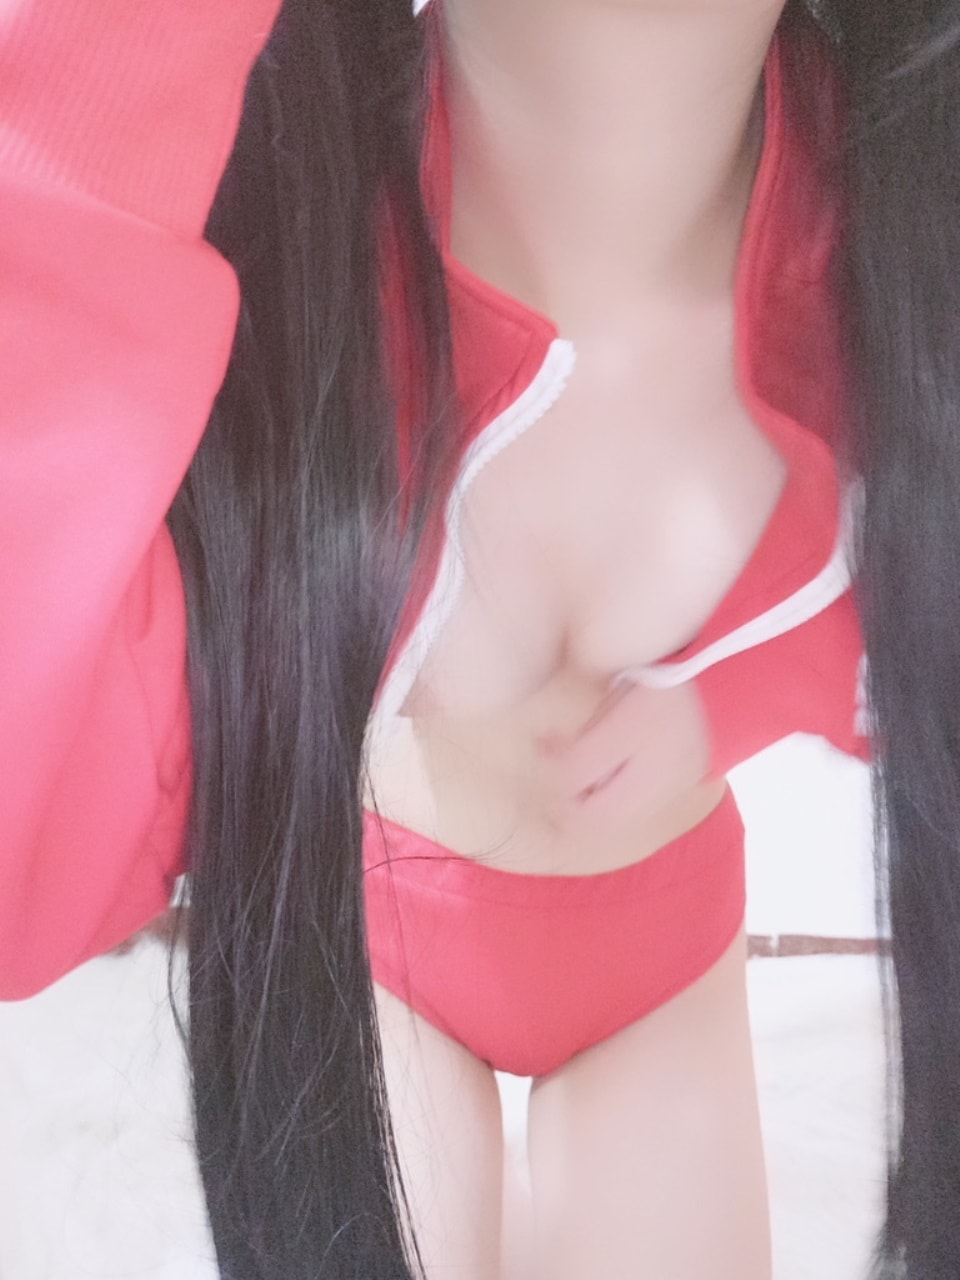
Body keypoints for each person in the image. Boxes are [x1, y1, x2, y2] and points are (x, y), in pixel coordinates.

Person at [1, 0, 958, 1277]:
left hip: (659, 946)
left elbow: (903, 646)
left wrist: (736, 699)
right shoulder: (284, 281)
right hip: (379, 947)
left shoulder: (893, 280)